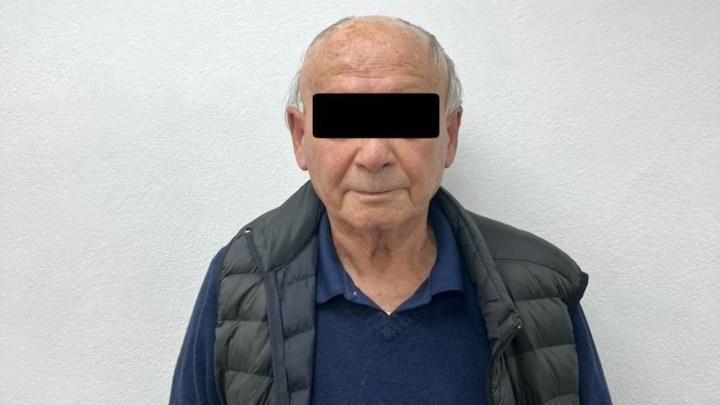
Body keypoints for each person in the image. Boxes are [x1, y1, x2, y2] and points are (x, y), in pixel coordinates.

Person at [170, 15, 612, 405]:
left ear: (450, 135)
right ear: (300, 138)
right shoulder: (242, 281)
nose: (374, 155)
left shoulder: (538, 291)